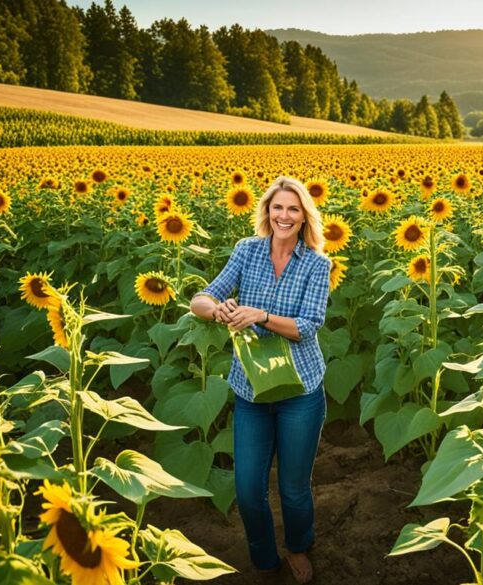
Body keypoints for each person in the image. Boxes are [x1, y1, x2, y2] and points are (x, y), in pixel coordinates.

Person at [190, 176, 331, 584]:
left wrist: (261, 316)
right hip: (251, 387)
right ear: (267, 212)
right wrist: (216, 310)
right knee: (249, 488)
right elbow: (203, 295)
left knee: (293, 488)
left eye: (293, 208)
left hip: (299, 390)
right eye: (277, 207)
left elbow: (310, 324)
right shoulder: (246, 251)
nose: (284, 215)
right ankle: (265, 557)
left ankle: (298, 546)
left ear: (305, 215)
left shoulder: (317, 264)